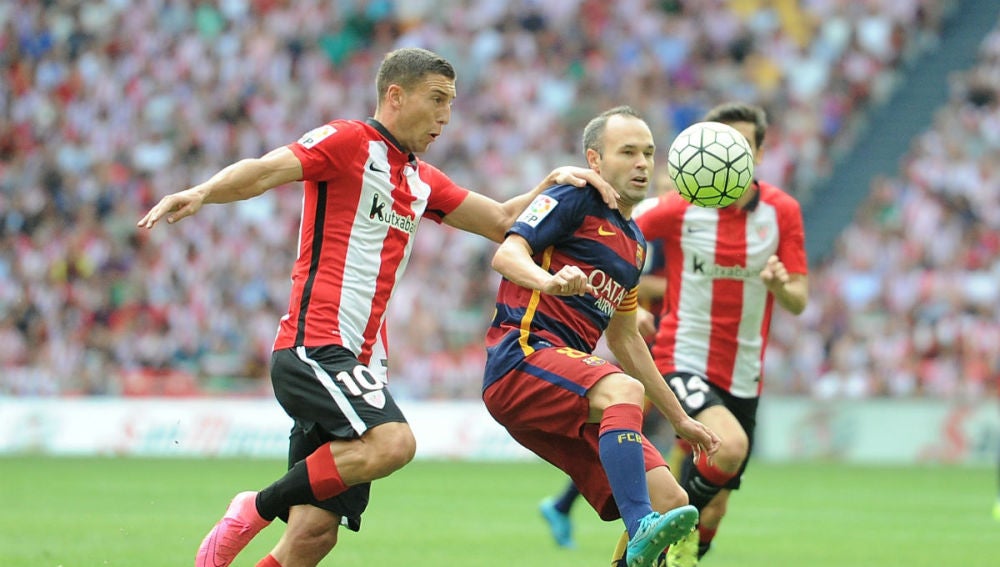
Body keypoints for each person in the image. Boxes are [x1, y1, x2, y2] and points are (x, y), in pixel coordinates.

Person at [137, 47, 619, 567]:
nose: (445, 116)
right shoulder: (348, 142)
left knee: (314, 534)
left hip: (362, 362)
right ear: (395, 95)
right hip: (314, 344)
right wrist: (203, 192)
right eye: (436, 100)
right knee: (394, 443)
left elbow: (501, 219)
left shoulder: (422, 180)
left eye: (451, 104)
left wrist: (551, 183)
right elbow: (265, 169)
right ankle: (253, 507)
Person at [481, 105, 721, 567]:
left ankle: (640, 533)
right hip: (521, 357)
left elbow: (627, 340)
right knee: (622, 390)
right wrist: (547, 281)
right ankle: (639, 526)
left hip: (564, 387)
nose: (642, 163)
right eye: (627, 152)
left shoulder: (634, 243)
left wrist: (680, 419)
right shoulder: (574, 198)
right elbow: (507, 254)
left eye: (648, 153)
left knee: (671, 498)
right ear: (595, 160)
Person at [635, 102, 809, 566]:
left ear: (760, 150)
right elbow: (613, 236)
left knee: (720, 501)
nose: (730, 156)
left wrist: (779, 285)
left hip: (744, 373)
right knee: (729, 447)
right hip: (682, 357)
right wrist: (623, 303)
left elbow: (799, 298)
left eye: (743, 146)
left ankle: (679, 554)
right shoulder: (678, 208)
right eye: (723, 144)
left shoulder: (781, 212)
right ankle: (666, 523)